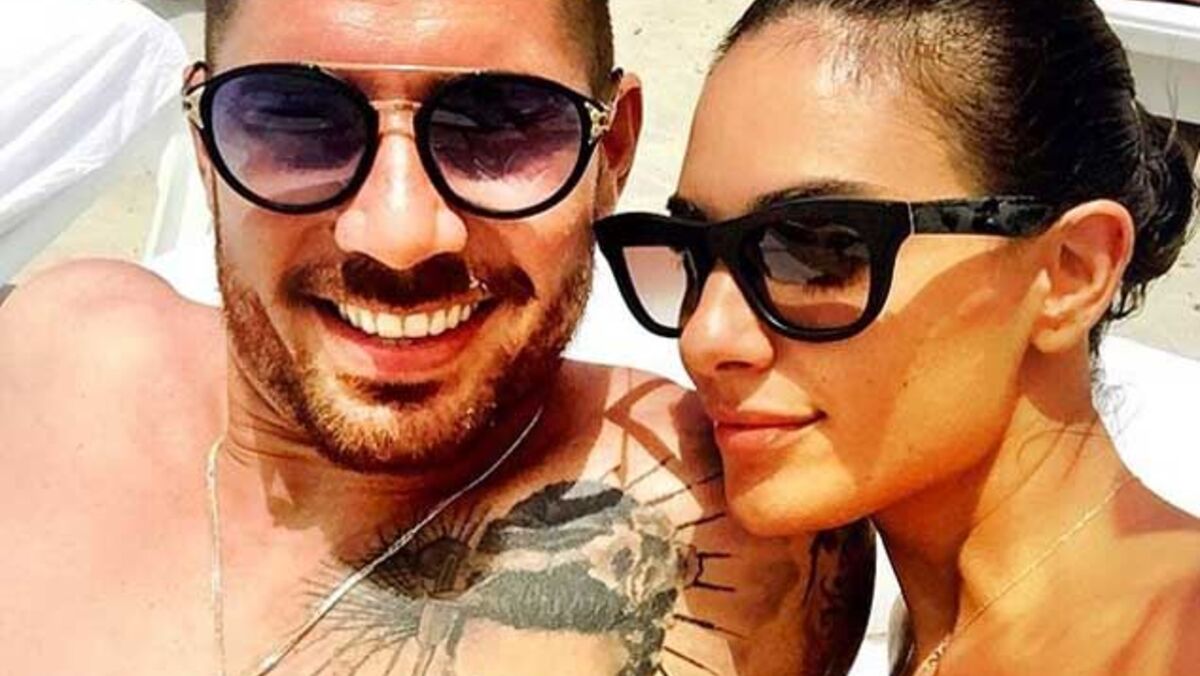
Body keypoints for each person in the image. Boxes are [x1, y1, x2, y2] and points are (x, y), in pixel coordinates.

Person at [0, 1, 876, 674]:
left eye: (498, 126)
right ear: (204, 144)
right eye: (297, 120)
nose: (398, 234)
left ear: (612, 153)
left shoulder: (735, 523)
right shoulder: (51, 358)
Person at [594, 0, 1200, 674]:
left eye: (816, 250)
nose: (705, 338)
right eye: (693, 252)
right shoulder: (953, 629)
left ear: (1070, 272)